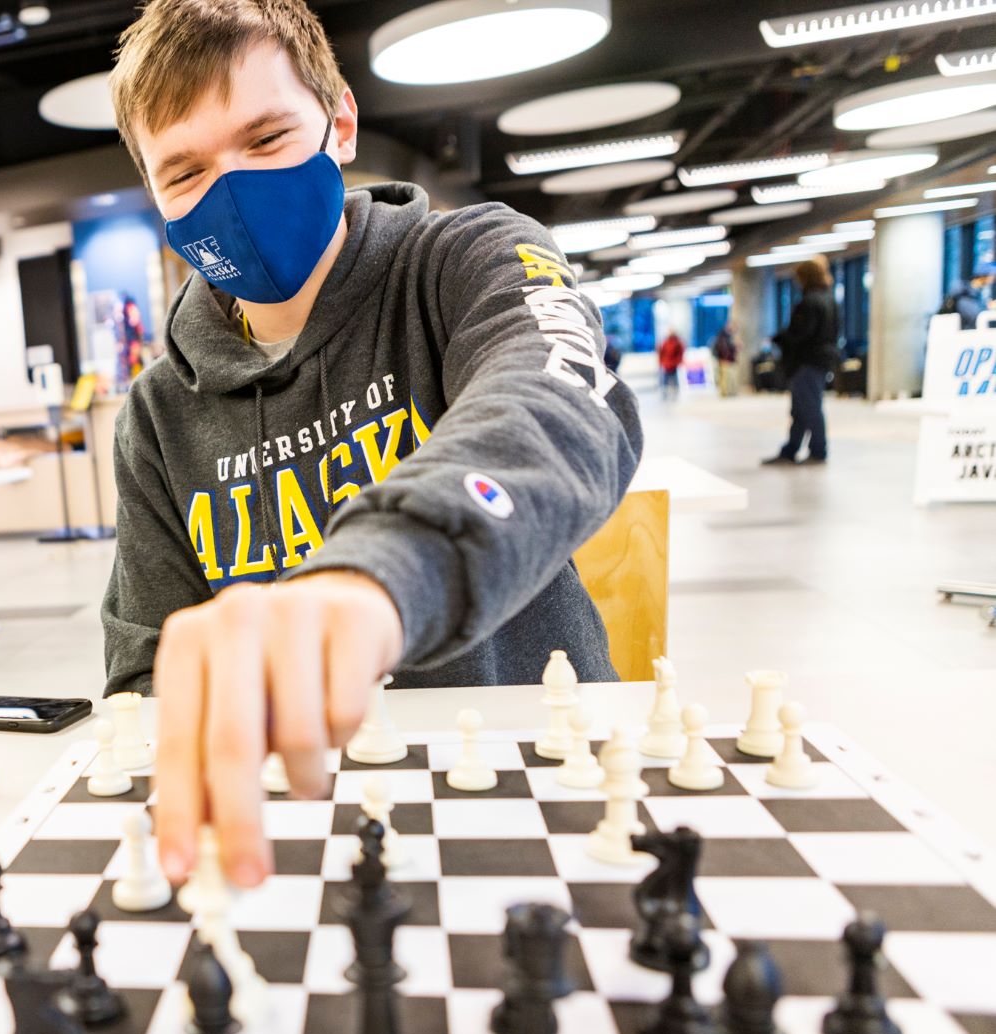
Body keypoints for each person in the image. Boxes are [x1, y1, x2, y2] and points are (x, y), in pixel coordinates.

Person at [100, 0, 641, 888]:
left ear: (339, 122)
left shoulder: (470, 259)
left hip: (541, 779)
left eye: (267, 138)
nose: (230, 194)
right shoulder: (158, 414)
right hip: (305, 824)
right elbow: (149, 670)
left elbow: (556, 402)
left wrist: (372, 575)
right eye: (185, 172)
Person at [765, 256, 839, 466]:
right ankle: (791, 450)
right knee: (801, 409)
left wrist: (779, 338)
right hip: (820, 360)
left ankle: (818, 451)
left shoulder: (809, 302)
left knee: (810, 407)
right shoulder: (829, 299)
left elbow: (799, 334)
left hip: (807, 362)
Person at [711, 321, 740, 398]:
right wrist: (725, 358)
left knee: (730, 377)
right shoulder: (722, 336)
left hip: (729, 359)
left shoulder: (729, 336)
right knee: (725, 378)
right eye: (734, 328)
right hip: (725, 360)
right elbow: (723, 348)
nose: (735, 330)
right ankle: (725, 393)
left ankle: (730, 392)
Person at [657, 330, 685, 401]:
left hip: (673, 364)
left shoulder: (677, 342)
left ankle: (675, 392)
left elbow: (680, 353)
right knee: (665, 380)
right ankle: (665, 393)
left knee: (674, 379)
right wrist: (661, 362)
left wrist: (678, 361)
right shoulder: (665, 342)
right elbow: (661, 352)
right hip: (667, 364)